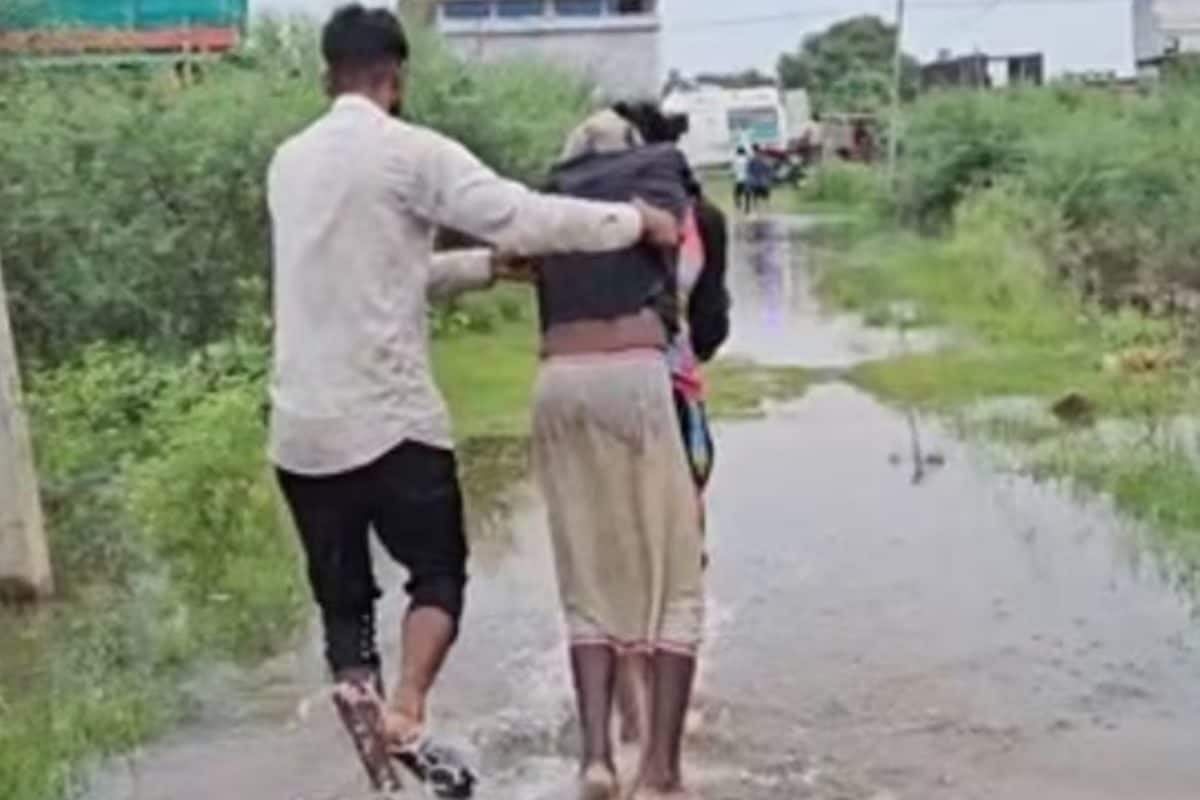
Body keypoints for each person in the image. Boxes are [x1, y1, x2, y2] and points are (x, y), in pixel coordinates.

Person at [266, 5, 681, 794]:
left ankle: (385, 780)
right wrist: (636, 220)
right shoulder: (409, 151)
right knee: (438, 576)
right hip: (391, 424)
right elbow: (522, 212)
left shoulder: (287, 162)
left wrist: (486, 269)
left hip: (300, 434)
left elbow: (384, 274)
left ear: (327, 77)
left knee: (344, 617)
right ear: (396, 79)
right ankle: (412, 704)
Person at [532, 109, 704, 800]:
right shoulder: (660, 181)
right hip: (634, 375)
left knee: (586, 576)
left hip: (557, 385)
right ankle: (660, 771)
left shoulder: (551, 198)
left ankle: (597, 760)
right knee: (677, 580)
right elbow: (682, 263)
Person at [609, 101, 730, 750]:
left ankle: (627, 711)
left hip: (601, 400)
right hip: (677, 398)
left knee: (618, 547)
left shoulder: (595, 213)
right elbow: (711, 326)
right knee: (684, 544)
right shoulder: (701, 218)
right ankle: (678, 705)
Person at [731, 145, 750, 214]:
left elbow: (734, 171)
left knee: (736, 194)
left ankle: (738, 204)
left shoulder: (736, 160)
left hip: (739, 179)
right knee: (747, 194)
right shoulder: (747, 159)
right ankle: (747, 208)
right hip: (746, 179)